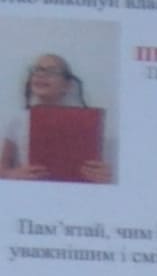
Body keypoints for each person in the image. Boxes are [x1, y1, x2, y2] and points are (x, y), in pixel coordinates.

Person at [1, 43, 105, 178]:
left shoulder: (85, 121)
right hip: (30, 188)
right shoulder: (17, 120)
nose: (41, 75)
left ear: (67, 85)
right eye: (37, 70)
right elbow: (2, 169)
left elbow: (94, 167)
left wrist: (101, 174)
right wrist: (16, 174)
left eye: (51, 71)